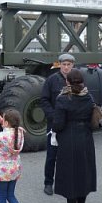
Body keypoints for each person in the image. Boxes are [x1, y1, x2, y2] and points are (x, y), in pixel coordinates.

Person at [53, 69, 96, 203]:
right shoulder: (88, 96)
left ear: (67, 82)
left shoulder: (63, 99)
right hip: (86, 138)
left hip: (69, 140)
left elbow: (58, 125)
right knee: (83, 174)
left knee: (70, 177)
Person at [40, 53, 75, 195]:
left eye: (69, 65)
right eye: (64, 64)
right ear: (59, 65)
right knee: (52, 156)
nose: (66, 67)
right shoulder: (51, 80)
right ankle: (48, 182)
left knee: (68, 155)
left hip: (71, 124)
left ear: (73, 65)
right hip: (54, 125)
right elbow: (44, 100)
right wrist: (54, 116)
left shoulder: (77, 80)